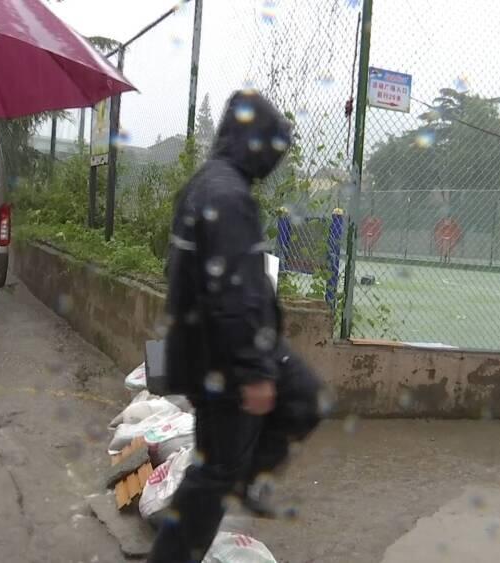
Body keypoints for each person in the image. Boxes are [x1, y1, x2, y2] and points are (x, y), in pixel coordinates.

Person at [148, 90, 322, 562]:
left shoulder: (212, 184)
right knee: (213, 475)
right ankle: (228, 490)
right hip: (222, 356)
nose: (275, 161)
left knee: (301, 397)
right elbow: (231, 294)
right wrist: (254, 371)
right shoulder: (226, 196)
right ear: (253, 141)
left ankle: (246, 476)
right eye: (272, 148)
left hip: (214, 348)